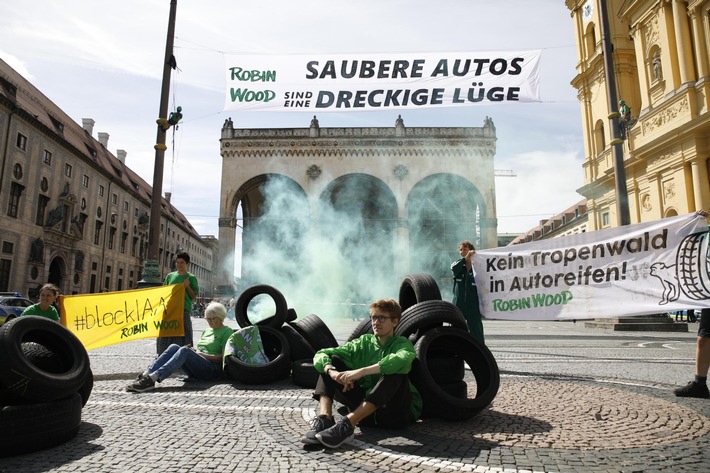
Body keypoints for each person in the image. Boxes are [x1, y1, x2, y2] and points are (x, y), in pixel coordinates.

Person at [301, 298, 422, 448]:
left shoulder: (402, 343)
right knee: (332, 360)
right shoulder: (363, 343)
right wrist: (332, 372)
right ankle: (325, 419)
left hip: (395, 414)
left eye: (382, 318)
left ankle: (347, 425)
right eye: (373, 317)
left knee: (396, 372)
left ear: (395, 322)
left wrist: (361, 372)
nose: (376, 322)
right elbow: (321, 353)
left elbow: (403, 359)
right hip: (365, 414)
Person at [127, 301, 234, 393]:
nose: (209, 322)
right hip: (200, 364)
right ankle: (146, 375)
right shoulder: (207, 331)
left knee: (184, 350)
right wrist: (195, 352)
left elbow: (222, 358)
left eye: (212, 319)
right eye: (207, 319)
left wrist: (201, 354)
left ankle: (153, 378)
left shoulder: (227, 332)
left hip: (212, 369)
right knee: (174, 346)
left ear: (220, 317)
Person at [674, 209, 710, 399]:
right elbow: (676, 236)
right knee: (704, 339)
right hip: (709, 295)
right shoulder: (706, 232)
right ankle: (699, 383)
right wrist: (693, 219)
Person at [157, 251, 199, 354]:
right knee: (166, 331)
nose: (179, 265)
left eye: (182, 263)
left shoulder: (191, 278)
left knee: (185, 332)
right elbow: (164, 291)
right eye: (177, 262)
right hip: (170, 309)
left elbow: (194, 296)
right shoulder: (170, 276)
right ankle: (163, 354)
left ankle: (185, 355)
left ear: (187, 264)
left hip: (183, 309)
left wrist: (187, 286)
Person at [451, 240, 484, 343]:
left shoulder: (478, 268)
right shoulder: (457, 265)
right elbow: (454, 269)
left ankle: (480, 350)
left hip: (473, 305)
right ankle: (455, 351)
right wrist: (466, 259)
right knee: (456, 329)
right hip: (458, 304)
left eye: (465, 249)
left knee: (476, 330)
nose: (462, 251)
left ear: (471, 250)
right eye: (460, 250)